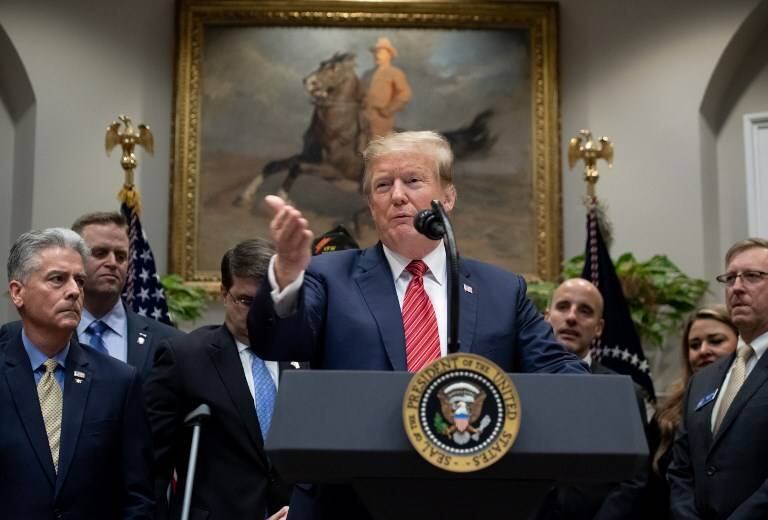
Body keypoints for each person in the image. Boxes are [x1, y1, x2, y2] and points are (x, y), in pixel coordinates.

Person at [247, 131, 587, 517]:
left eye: (412, 181)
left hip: (472, 500)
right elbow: (277, 341)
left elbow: (562, 376)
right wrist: (287, 275)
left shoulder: (502, 291)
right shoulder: (329, 276)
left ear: (448, 197)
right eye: (382, 185)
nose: (397, 196)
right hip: (350, 503)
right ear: (370, 204)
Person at [0, 228, 154, 519]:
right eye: (58, 279)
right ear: (18, 292)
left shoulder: (118, 381)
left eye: (79, 281)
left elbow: (138, 496)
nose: (74, 291)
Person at [144, 239, 295, 520]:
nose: (259, 312)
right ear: (224, 293)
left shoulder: (301, 356)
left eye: (268, 300)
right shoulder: (185, 357)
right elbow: (152, 465)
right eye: (246, 301)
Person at [1, 211, 183, 375]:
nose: (112, 263)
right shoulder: (18, 336)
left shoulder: (169, 341)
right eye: (100, 253)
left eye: (121, 256)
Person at [668, 238, 768, 519]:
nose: (737, 287)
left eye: (752, 276)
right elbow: (681, 469)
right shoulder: (702, 380)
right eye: (730, 278)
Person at [538, 278, 647, 519]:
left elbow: (633, 477)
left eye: (585, 311)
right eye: (563, 307)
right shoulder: (518, 383)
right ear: (547, 317)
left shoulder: (624, 392)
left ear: (598, 327)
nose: (571, 317)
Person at [643, 305, 737, 518]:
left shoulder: (753, 405)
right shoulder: (665, 416)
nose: (703, 350)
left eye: (716, 341)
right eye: (694, 345)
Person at [361, 37, 412, 140]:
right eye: (375, 53)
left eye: (381, 53)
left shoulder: (395, 73)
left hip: (382, 119)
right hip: (363, 118)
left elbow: (405, 93)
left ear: (389, 55)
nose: (377, 56)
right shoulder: (367, 74)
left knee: (378, 144)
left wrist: (389, 109)